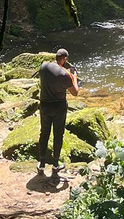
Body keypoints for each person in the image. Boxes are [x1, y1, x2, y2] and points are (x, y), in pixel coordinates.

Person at [38, 48, 79, 177]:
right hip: (58, 107)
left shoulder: (43, 66)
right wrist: (74, 77)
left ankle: (41, 163)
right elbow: (75, 92)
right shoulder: (65, 75)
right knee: (58, 134)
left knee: (44, 133)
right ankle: (55, 164)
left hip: (44, 105)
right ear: (65, 59)